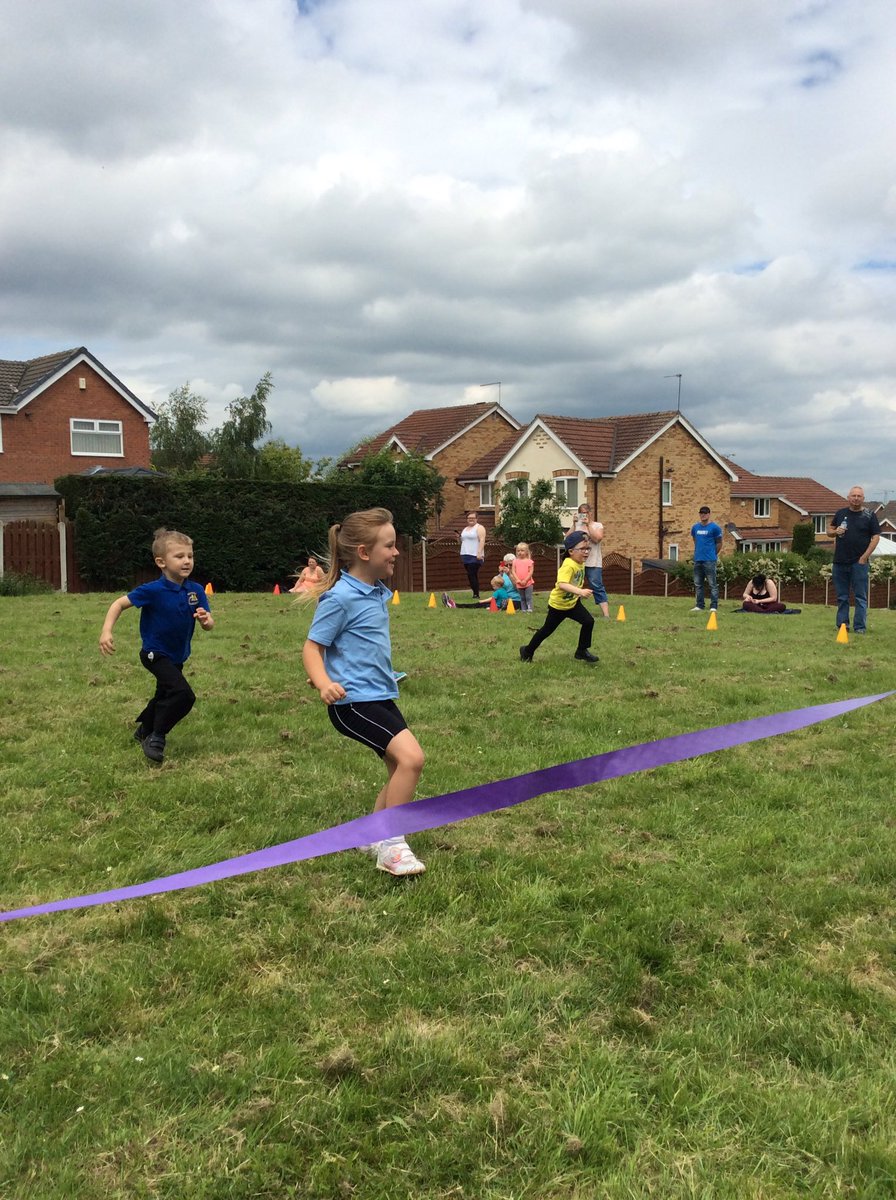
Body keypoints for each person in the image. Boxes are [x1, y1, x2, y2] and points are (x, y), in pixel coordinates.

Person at [302, 507, 426, 876]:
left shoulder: (375, 592)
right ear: (364, 553)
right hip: (351, 703)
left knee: (396, 768)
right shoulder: (340, 598)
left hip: (379, 696)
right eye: (389, 546)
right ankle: (391, 845)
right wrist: (324, 682)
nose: (396, 552)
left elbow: (354, 645)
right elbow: (312, 647)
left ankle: (372, 833)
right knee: (412, 760)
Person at [99, 527, 214, 764]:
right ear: (161, 562)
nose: (187, 561)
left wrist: (206, 620)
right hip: (154, 653)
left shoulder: (196, 591)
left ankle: (143, 731)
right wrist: (106, 631)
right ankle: (157, 736)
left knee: (164, 694)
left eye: (190, 556)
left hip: (178, 656)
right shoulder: (152, 590)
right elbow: (118, 604)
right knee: (183, 695)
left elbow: (209, 624)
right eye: (179, 556)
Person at [519, 531, 598, 664]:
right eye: (582, 549)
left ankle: (581, 651)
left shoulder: (580, 563)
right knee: (546, 630)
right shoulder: (568, 565)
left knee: (588, 621)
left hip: (572, 603)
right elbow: (562, 584)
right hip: (558, 606)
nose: (586, 552)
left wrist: (578, 593)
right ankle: (527, 651)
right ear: (571, 551)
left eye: (587, 548)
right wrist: (580, 591)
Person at [828, 486, 880, 634]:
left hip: (859, 563)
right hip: (839, 562)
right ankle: (843, 626)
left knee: (860, 597)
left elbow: (876, 537)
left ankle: (860, 628)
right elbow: (829, 530)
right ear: (848, 497)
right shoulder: (840, 513)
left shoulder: (870, 515)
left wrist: (864, 557)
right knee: (842, 597)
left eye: (859, 496)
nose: (856, 498)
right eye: (853, 495)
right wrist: (835, 532)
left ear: (863, 499)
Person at [571, 503, 609, 618]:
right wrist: (573, 524)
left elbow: (597, 539)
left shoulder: (598, 525)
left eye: (585, 513)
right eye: (581, 513)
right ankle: (571, 611)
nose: (583, 516)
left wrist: (588, 525)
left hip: (593, 563)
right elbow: (568, 539)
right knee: (574, 586)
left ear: (590, 513)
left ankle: (606, 614)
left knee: (597, 586)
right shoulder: (577, 526)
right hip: (578, 562)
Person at [690, 505, 723, 612]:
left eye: (705, 513)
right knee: (698, 583)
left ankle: (713, 606)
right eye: (701, 513)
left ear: (709, 514)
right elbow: (695, 540)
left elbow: (719, 543)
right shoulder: (695, 527)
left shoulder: (715, 528)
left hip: (709, 559)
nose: (703, 515)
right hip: (698, 559)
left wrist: (713, 554)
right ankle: (699, 605)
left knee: (712, 583)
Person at [441, 575, 519, 610]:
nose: (493, 588)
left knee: (477, 605)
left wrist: (483, 600)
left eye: (493, 586)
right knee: (477, 605)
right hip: (499, 607)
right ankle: (454, 604)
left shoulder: (497, 592)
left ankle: (455, 605)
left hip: (495, 607)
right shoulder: (504, 590)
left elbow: (492, 599)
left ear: (497, 585)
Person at [458, 511, 486, 598]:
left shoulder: (479, 528)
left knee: (471, 573)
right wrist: (458, 538)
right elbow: (462, 541)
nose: (471, 520)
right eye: (469, 518)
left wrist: (479, 552)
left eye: (473, 518)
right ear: (467, 519)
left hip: (475, 555)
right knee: (470, 574)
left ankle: (476, 594)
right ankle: (475, 592)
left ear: (476, 519)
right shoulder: (465, 529)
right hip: (465, 554)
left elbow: (482, 540)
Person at [513, 542, 535, 612]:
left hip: (528, 583)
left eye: (522, 550)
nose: (520, 552)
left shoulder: (530, 561)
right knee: (522, 598)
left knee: (528, 597)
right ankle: (524, 609)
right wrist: (518, 580)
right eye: (518, 551)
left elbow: (530, 572)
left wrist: (525, 580)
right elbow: (513, 571)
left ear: (526, 552)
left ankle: (529, 608)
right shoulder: (515, 561)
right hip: (519, 583)